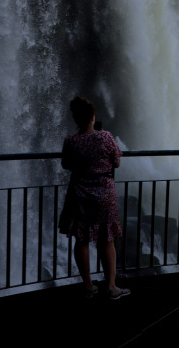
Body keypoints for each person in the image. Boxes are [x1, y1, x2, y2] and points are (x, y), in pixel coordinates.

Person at [58, 96, 130, 300]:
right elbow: (116, 161)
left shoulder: (71, 140)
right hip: (103, 192)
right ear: (92, 117)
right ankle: (111, 287)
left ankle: (88, 286)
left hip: (79, 192)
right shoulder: (105, 137)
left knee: (81, 239)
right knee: (107, 239)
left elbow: (66, 164)